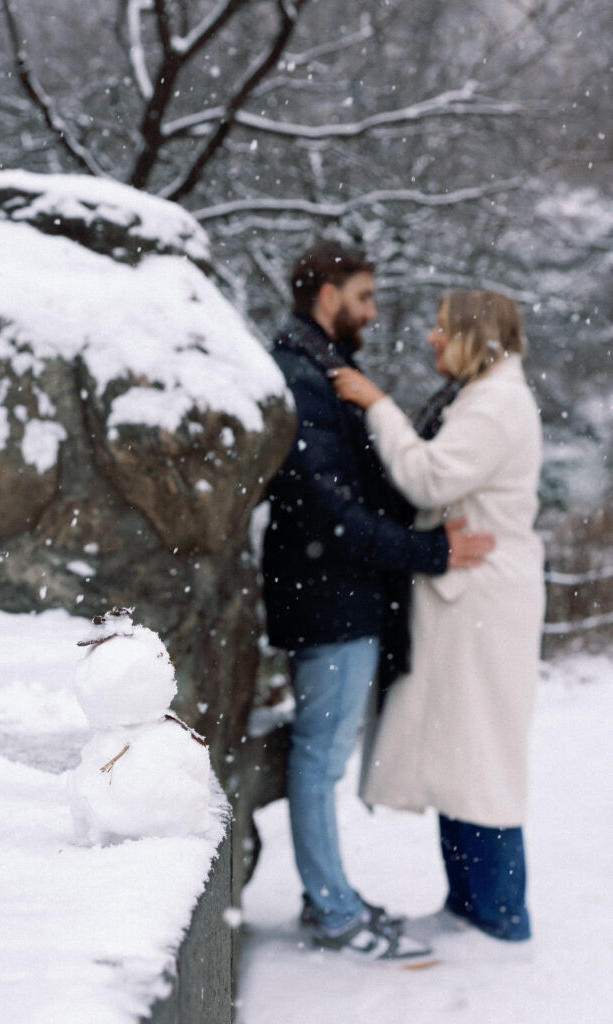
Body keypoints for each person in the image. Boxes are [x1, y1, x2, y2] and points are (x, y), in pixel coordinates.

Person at [262, 241, 495, 960]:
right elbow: (326, 508)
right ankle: (332, 913)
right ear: (326, 293)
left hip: (335, 591)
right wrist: (427, 552)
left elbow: (355, 490)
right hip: (327, 596)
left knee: (320, 757)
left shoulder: (321, 368)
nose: (370, 311)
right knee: (319, 760)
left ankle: (329, 898)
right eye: (362, 297)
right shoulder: (304, 374)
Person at [330, 289, 544, 943]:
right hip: (467, 599)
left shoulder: (496, 404)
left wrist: (377, 405)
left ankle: (497, 917)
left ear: (474, 336)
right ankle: (471, 909)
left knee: (479, 760)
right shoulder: (484, 396)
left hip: (480, 601)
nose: (429, 337)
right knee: (463, 755)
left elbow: (426, 479)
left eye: (441, 326)